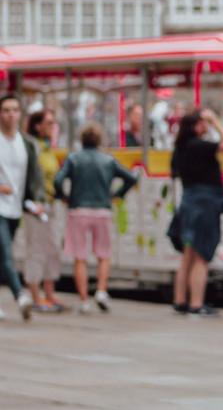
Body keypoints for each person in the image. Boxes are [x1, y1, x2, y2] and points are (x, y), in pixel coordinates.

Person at [54, 122, 137, 314]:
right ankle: (101, 290)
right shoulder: (108, 160)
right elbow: (131, 178)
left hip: (78, 210)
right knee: (103, 254)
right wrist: (117, 194)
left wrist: (64, 197)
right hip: (102, 210)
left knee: (80, 257)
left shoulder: (73, 158)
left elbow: (58, 180)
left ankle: (84, 300)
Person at [168, 109, 223, 317]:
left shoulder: (180, 148)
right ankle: (196, 304)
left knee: (188, 255)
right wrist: (216, 120)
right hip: (204, 204)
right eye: (203, 123)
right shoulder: (199, 146)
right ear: (195, 126)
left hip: (188, 203)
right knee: (201, 256)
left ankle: (180, 300)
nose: (205, 126)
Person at [0, 94, 41, 320]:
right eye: (6, 110)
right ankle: (20, 296)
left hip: (16, 207)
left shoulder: (25, 142)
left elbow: (33, 176)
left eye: (15, 109)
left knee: (2, 256)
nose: (11, 114)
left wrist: (37, 200)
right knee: (6, 254)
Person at [24, 109, 68, 312]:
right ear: (37, 126)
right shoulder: (32, 146)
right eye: (48, 123)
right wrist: (33, 199)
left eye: (54, 122)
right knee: (36, 251)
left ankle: (49, 293)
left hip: (50, 204)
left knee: (52, 249)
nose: (52, 126)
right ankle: (35, 294)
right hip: (36, 206)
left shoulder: (48, 148)